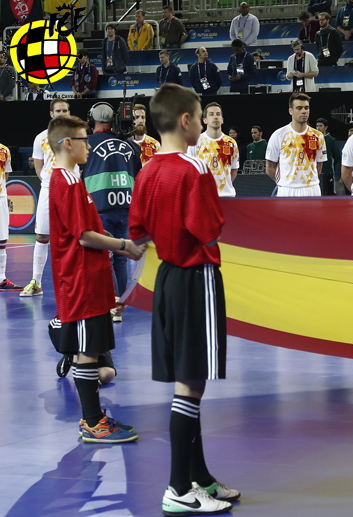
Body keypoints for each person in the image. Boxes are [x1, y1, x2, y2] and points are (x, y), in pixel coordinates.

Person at [128, 82, 238, 516]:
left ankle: (199, 476)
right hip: (197, 277)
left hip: (167, 278)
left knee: (188, 381)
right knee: (191, 385)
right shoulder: (194, 170)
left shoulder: (148, 170)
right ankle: (177, 488)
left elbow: (138, 234)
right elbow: (210, 229)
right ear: (188, 120)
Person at [47, 115, 144, 443]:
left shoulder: (74, 179)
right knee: (88, 352)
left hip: (90, 278)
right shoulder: (66, 181)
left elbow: (90, 226)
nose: (89, 145)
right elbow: (85, 236)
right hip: (81, 279)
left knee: (90, 350)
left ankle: (95, 418)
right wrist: (123, 245)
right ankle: (92, 422)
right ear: (67, 144)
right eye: (84, 140)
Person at [82, 103, 141, 321]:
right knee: (122, 258)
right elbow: (137, 175)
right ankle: (120, 304)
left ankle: (105, 302)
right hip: (126, 207)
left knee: (102, 257)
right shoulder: (130, 146)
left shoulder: (85, 144)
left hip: (99, 208)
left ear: (92, 119)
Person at [20, 99, 72, 298]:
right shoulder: (41, 138)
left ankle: (73, 282)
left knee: (75, 236)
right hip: (49, 189)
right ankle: (36, 282)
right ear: (51, 114)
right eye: (58, 110)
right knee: (42, 235)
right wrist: (49, 182)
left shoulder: (77, 135)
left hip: (71, 190)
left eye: (65, 110)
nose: (62, 113)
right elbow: (40, 168)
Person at [265, 93, 327, 197]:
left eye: (306, 108)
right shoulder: (279, 135)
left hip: (312, 189)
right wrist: (285, 183)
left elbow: (318, 167)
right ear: (291, 111)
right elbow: (270, 168)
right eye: (299, 108)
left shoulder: (318, 136)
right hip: (287, 190)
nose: (304, 111)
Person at [188, 102, 239, 197]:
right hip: (202, 196)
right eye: (211, 114)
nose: (215, 117)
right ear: (205, 120)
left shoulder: (231, 143)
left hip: (226, 196)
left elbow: (234, 170)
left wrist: (223, 185)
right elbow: (189, 170)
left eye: (218, 114)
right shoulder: (194, 141)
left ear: (222, 120)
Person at [0, 141, 22, 291]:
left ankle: (1, 278)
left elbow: (5, 176)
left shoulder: (4, 150)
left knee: (2, 238)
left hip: (0, 197)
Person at [315, 118, 340, 195]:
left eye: (320, 126)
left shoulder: (331, 140)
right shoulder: (312, 139)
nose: (318, 128)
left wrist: (330, 166)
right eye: (317, 126)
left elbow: (337, 157)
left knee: (327, 194)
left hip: (327, 172)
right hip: (315, 173)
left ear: (326, 127)